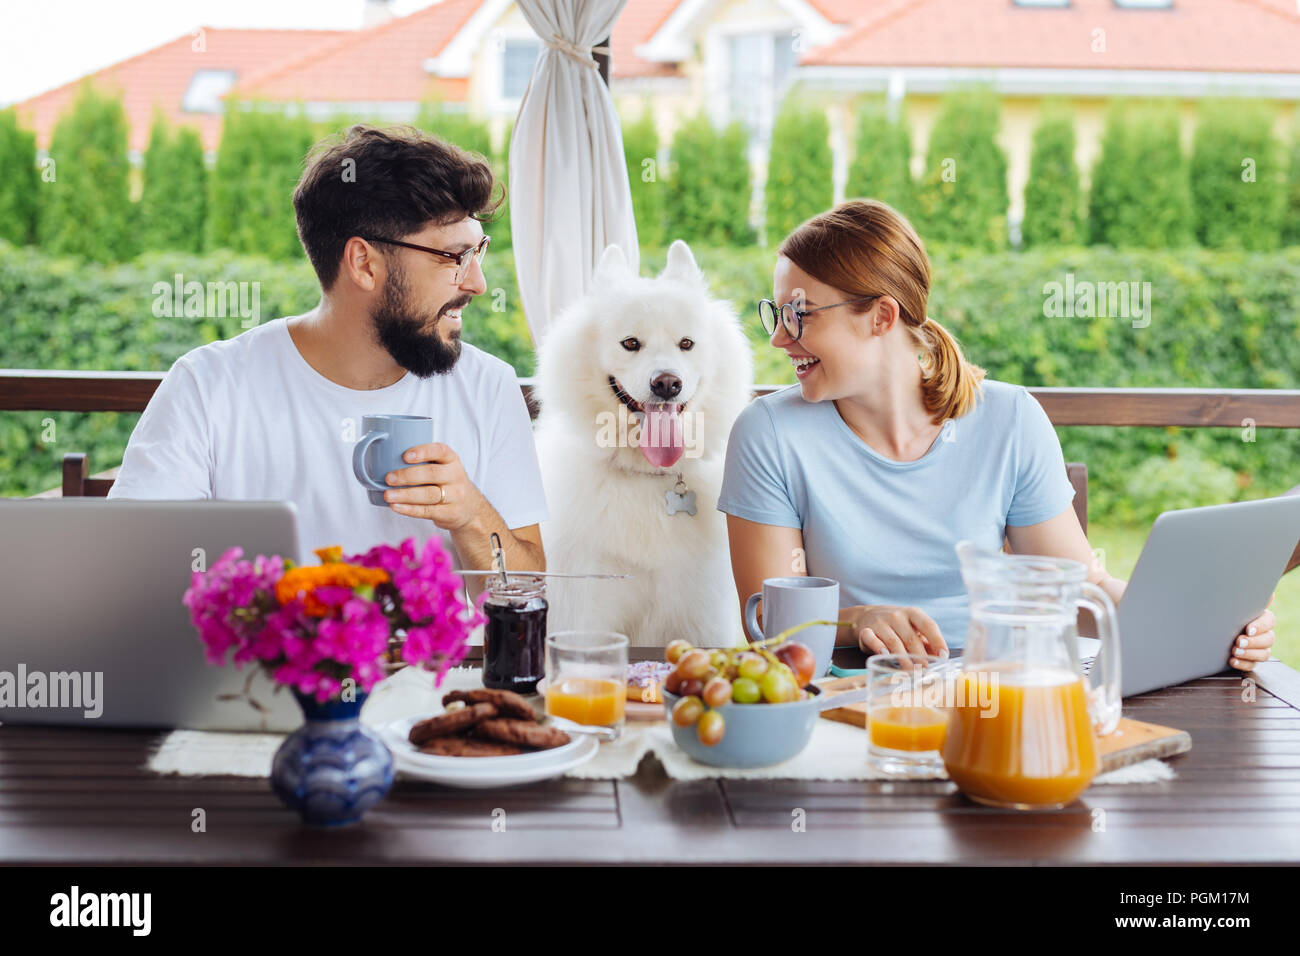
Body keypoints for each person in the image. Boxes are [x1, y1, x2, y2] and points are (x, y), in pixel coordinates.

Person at [717, 199, 1273, 672]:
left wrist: (1212, 628)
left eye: (799, 314)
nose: (779, 340)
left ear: (881, 316)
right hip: (856, 694)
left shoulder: (1010, 418)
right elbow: (768, 620)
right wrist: (860, 621)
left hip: (1000, 691)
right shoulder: (769, 435)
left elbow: (1079, 589)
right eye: (776, 314)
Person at [110, 125, 546, 583]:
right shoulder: (208, 386)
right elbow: (133, 571)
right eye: (455, 257)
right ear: (363, 263)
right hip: (263, 656)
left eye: (478, 251)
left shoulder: (488, 387)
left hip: (445, 659)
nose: (477, 283)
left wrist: (470, 514)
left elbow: (531, 587)